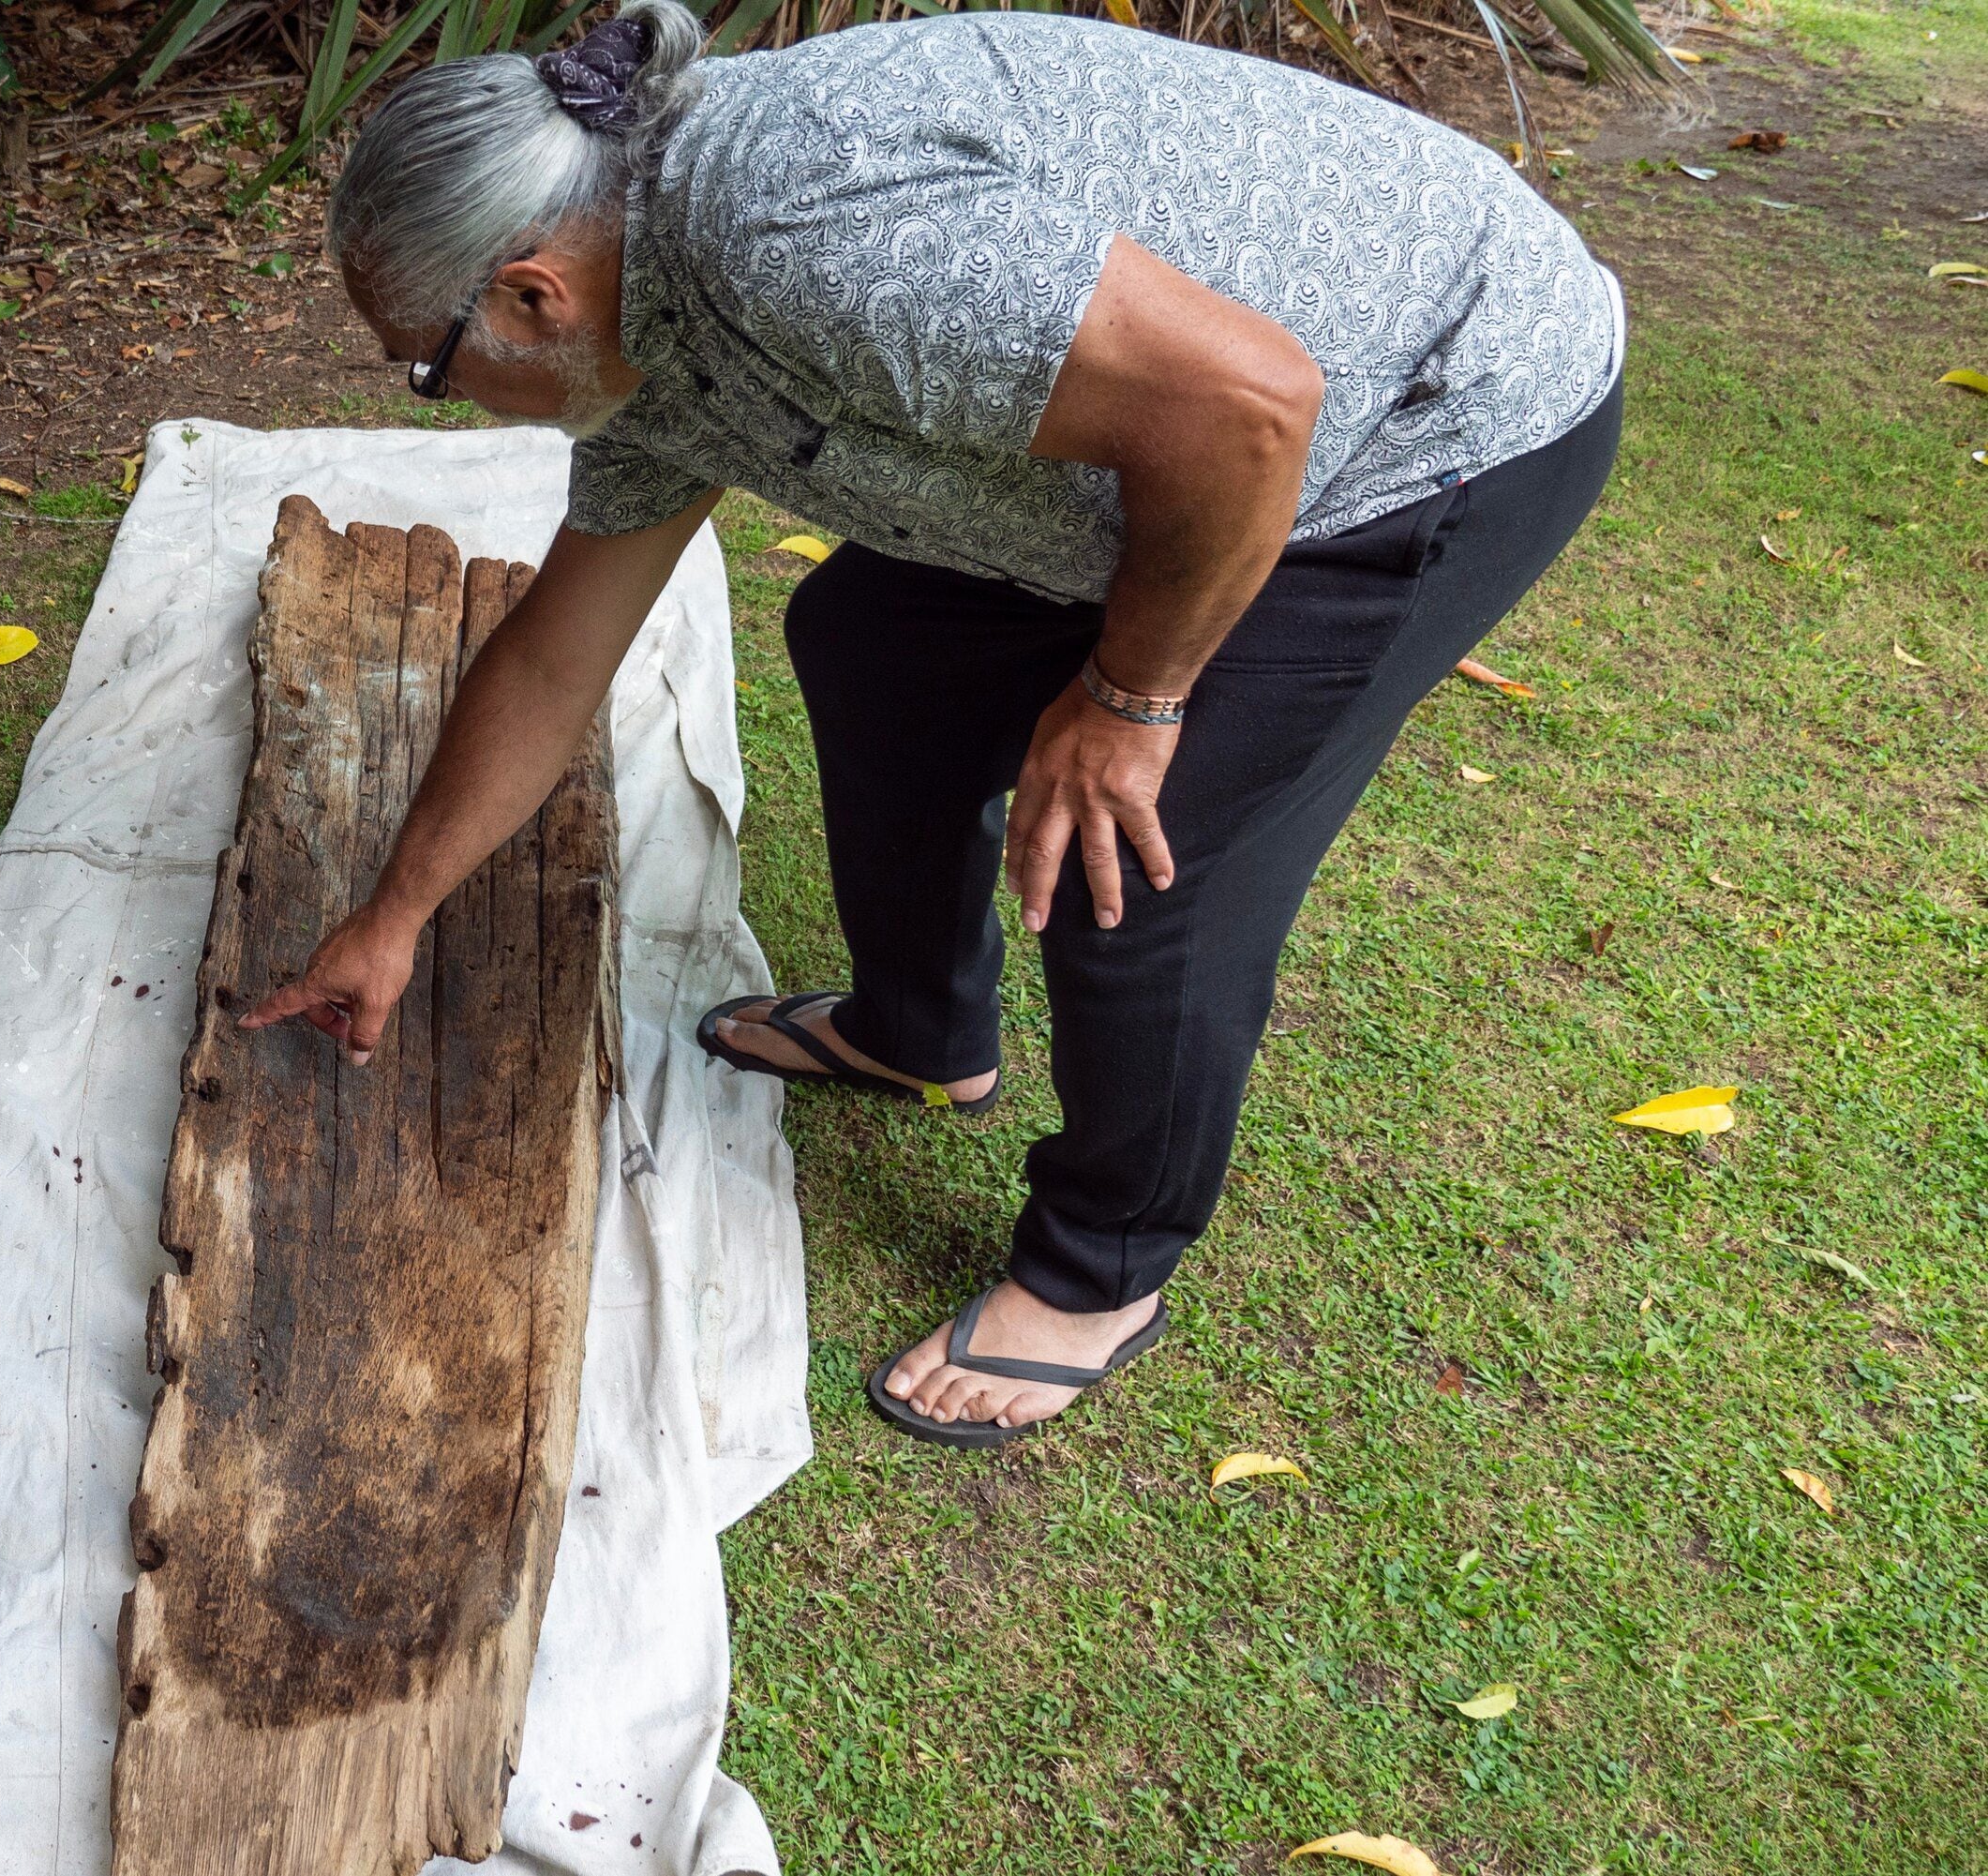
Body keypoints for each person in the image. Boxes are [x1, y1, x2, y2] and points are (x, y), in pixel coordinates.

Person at [243, 0, 1623, 1448]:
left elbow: (1252, 407)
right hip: (1188, 428)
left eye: (429, 364)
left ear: (532, 297)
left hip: (1419, 415)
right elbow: (552, 660)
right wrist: (394, 914)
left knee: (1141, 854)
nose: (447, 402)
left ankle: (1102, 1267)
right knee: (875, 638)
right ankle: (922, 1033)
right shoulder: (648, 334)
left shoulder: (799, 230)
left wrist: (1127, 702)